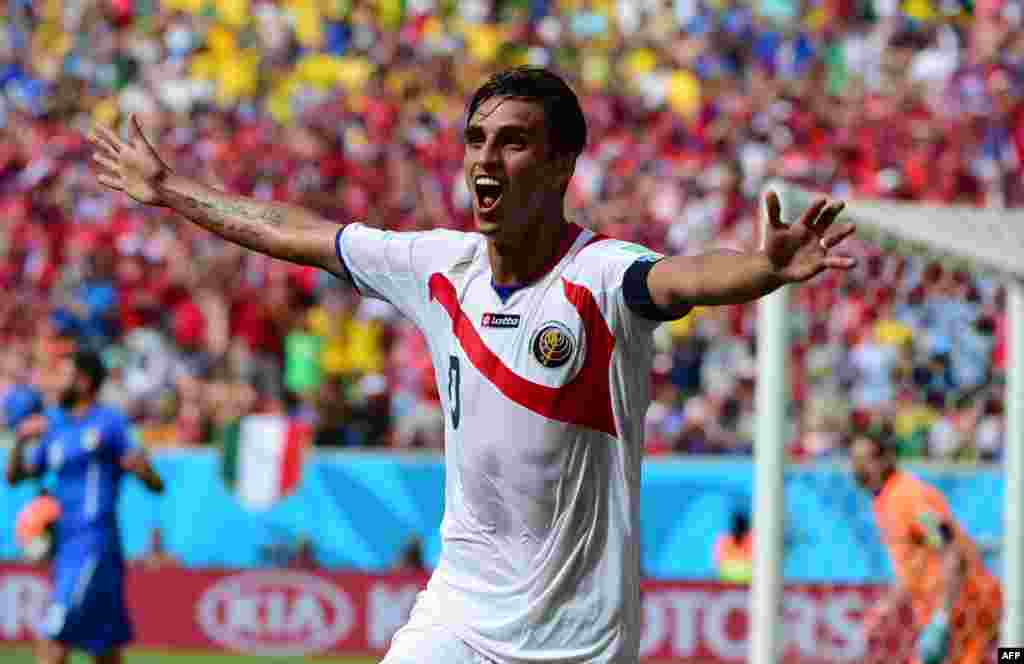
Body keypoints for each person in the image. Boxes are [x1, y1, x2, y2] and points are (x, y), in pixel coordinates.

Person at [87, 66, 856, 664]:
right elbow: (301, 233)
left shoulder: (599, 276)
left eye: (513, 141)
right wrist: (168, 190)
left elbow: (682, 277)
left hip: (577, 637)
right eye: (477, 138)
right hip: (459, 613)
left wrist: (760, 271)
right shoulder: (437, 267)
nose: (486, 158)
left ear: (559, 167)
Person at [6, 350, 165, 664]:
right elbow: (16, 478)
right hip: (68, 548)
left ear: (83, 381)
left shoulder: (110, 423)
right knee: (106, 651)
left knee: (53, 640)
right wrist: (21, 440)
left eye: (63, 374)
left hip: (95, 544)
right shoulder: (53, 425)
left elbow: (156, 484)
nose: (55, 381)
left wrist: (143, 470)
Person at [852, 428, 1002, 664]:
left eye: (866, 459)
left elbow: (952, 550)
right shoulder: (885, 501)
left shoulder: (909, 497)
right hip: (953, 610)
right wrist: (885, 608)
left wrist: (942, 616)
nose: (858, 467)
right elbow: (915, 565)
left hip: (965, 607)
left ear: (886, 459)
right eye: (855, 459)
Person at [714, 510, 754, 584]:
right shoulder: (753, 540)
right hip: (746, 578)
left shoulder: (724, 539)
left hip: (728, 578)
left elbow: (718, 561)